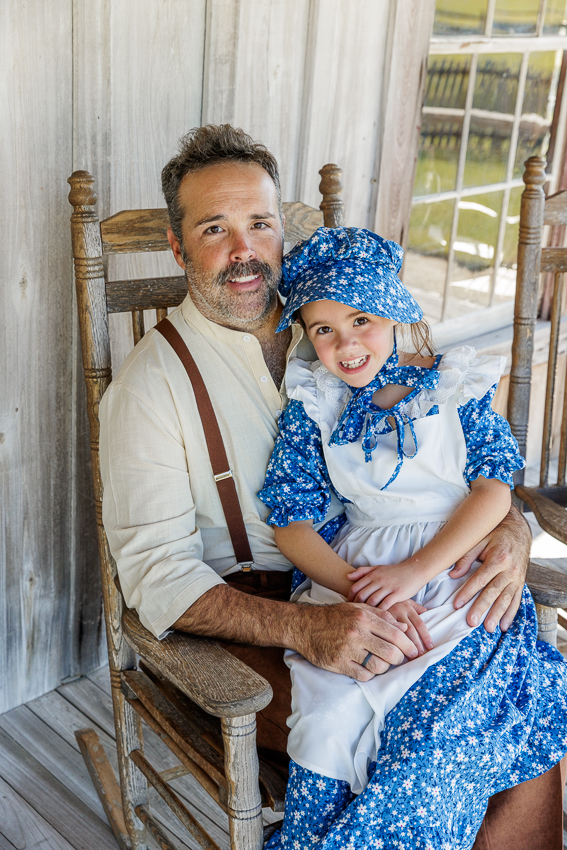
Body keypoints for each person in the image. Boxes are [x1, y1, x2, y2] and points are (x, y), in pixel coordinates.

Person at [98, 124, 563, 848]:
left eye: (258, 224)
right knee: (441, 722)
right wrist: (304, 626)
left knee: (513, 696)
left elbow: (455, 465)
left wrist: (503, 529)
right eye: (214, 228)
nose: (242, 250)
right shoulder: (148, 388)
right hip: (259, 619)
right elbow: (155, 576)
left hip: (398, 582)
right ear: (177, 244)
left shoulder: (341, 335)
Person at [256, 226, 567, 849]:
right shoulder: (314, 403)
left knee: (440, 721)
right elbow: (289, 519)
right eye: (322, 330)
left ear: (396, 312)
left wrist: (416, 572)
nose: (345, 345)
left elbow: (492, 492)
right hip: (358, 573)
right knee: (330, 722)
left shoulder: (453, 385)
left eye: (361, 319)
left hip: (450, 564)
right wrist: (362, 589)